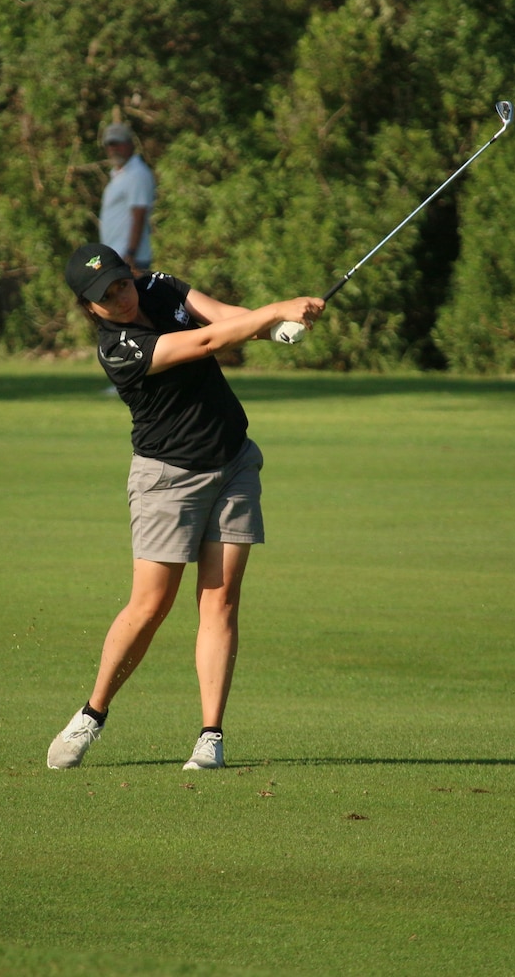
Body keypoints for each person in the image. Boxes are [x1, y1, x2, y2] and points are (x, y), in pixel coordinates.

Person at [47, 243, 324, 770]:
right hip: (167, 479)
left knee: (219, 601)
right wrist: (273, 312)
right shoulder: (118, 349)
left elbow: (225, 318)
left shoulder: (160, 287)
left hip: (233, 461)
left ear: (130, 275)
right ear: (89, 308)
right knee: (150, 606)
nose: (120, 297)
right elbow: (207, 341)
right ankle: (93, 713)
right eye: (104, 296)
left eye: (121, 283)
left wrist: (274, 326)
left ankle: (210, 737)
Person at [100, 123, 155, 272]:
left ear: (130, 144)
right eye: (110, 145)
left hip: (130, 259)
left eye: (119, 144)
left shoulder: (137, 174)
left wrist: (130, 253)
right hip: (118, 256)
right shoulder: (119, 175)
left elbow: (139, 214)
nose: (114, 149)